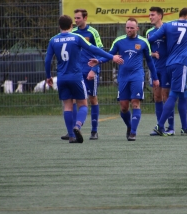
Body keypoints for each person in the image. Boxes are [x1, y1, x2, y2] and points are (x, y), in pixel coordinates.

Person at [45, 15, 123, 143]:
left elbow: (48, 60)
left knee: (68, 106)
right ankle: (78, 125)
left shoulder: (53, 40)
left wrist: (48, 76)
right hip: (76, 76)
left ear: (59, 26)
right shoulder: (77, 37)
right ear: (71, 25)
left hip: (62, 78)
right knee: (83, 105)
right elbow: (94, 49)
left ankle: (71, 135)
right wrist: (112, 57)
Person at [90, 18, 159, 141]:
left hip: (137, 76)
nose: (129, 30)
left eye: (132, 28)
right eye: (127, 27)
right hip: (123, 77)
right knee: (123, 107)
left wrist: (155, 78)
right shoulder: (119, 41)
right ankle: (129, 126)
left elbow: (150, 61)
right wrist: (99, 61)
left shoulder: (143, 42)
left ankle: (133, 133)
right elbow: (110, 55)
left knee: (135, 103)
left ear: (137, 28)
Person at [148, 7, 187, 136]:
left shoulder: (168, 25)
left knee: (183, 94)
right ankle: (160, 126)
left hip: (169, 64)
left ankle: (185, 127)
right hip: (182, 64)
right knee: (174, 94)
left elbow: (151, 39)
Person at [60, 9, 104, 141]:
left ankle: (94, 131)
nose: (76, 20)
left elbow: (99, 50)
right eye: (75, 18)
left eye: (78, 18)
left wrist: (94, 70)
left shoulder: (93, 32)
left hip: (89, 71)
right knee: (72, 100)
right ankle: (72, 130)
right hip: (76, 73)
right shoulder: (72, 33)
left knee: (92, 99)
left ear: (85, 18)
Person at [146, 7, 175, 136]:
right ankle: (160, 127)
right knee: (157, 96)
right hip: (155, 68)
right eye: (149, 15)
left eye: (152, 15)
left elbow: (176, 46)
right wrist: (152, 54)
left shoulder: (168, 29)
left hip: (167, 68)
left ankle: (171, 127)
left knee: (166, 97)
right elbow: (146, 50)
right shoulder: (149, 32)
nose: (150, 17)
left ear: (160, 16)